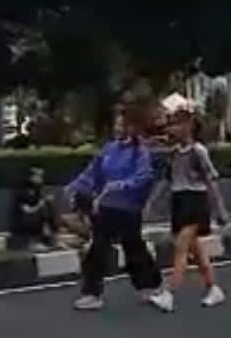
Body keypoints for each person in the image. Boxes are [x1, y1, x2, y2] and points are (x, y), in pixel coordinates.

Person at [68, 110, 170, 312]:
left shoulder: (140, 152)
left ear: (132, 128)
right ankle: (92, 294)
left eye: (122, 125)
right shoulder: (109, 149)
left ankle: (152, 285)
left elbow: (143, 177)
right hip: (106, 207)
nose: (118, 129)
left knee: (134, 249)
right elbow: (92, 173)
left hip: (129, 209)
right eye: (116, 125)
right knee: (97, 248)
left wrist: (120, 185)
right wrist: (75, 187)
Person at [152, 103, 229, 312]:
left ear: (189, 126)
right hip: (179, 201)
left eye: (177, 124)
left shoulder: (198, 151)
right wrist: (152, 204)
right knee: (195, 250)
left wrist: (220, 209)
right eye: (171, 124)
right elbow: (166, 181)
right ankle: (213, 288)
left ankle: (170, 293)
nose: (172, 129)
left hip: (196, 201)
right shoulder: (174, 153)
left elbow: (211, 180)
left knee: (181, 246)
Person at [8, 166, 59, 249]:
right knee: (44, 208)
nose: (41, 178)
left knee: (49, 206)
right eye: (38, 176)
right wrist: (42, 203)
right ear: (31, 177)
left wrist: (46, 201)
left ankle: (53, 239)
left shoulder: (38, 190)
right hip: (21, 223)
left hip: (33, 220)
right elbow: (27, 211)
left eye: (42, 176)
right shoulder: (23, 191)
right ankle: (34, 243)